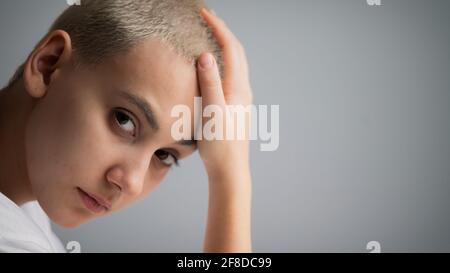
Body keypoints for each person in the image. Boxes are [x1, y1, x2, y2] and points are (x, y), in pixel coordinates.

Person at [0, 0, 252, 253]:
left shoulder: (26, 212)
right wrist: (230, 175)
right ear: (48, 64)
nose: (132, 182)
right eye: (125, 120)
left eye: (164, 155)